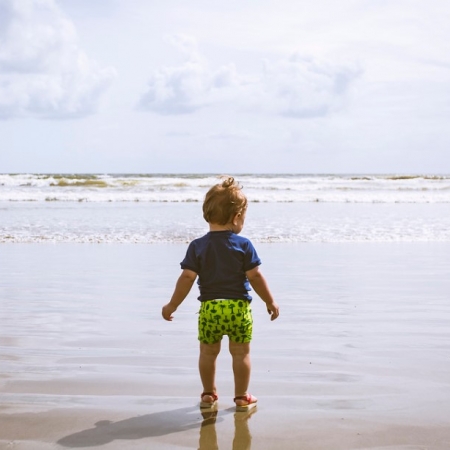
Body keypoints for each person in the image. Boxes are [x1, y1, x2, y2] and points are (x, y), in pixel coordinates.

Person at [162, 176, 279, 411]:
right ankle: (241, 396)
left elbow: (187, 277)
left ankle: (208, 394)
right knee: (240, 353)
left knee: (207, 352)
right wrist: (270, 301)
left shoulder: (197, 246)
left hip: (210, 309)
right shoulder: (244, 245)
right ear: (237, 217)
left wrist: (172, 305)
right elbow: (255, 276)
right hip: (238, 309)